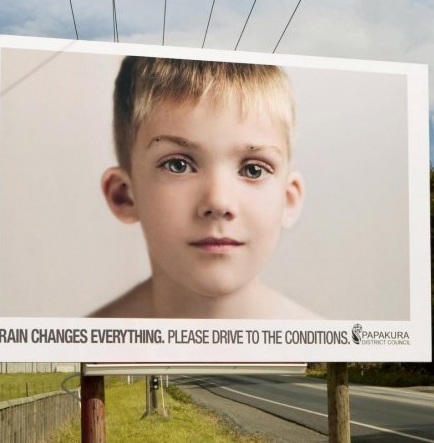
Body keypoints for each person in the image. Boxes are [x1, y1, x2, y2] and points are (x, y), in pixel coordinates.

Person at [89, 56, 317, 319]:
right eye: (178, 165)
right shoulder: (78, 350)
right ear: (124, 196)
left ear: (288, 200)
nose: (219, 203)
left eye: (253, 170)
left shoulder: (328, 348)